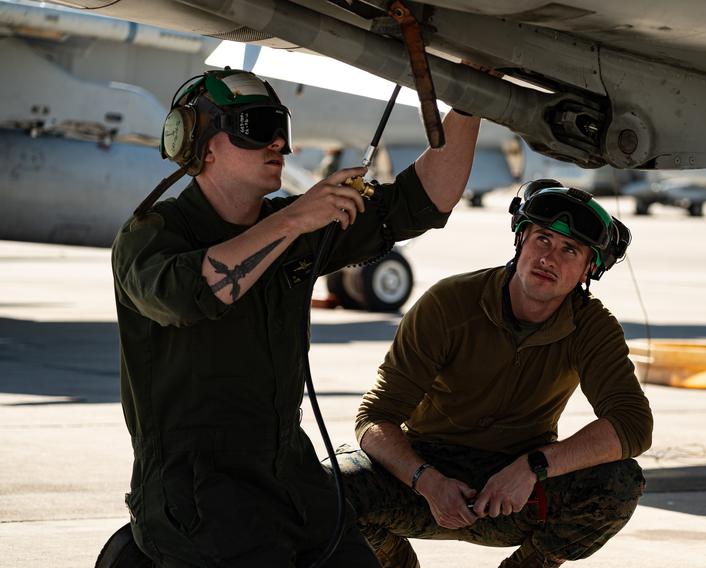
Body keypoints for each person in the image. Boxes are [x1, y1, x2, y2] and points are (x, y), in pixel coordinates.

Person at [109, 68, 479, 566]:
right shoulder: (151, 236)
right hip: (197, 491)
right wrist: (295, 219)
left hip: (291, 474)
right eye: (256, 127)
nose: (280, 144)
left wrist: (473, 97)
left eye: (280, 126)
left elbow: (421, 202)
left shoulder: (293, 228)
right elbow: (188, 294)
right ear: (202, 145)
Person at [336, 180, 653, 567]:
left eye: (569, 250)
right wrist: (428, 481)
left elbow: (633, 424)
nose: (548, 259)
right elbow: (374, 419)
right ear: (520, 241)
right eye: (542, 239)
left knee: (618, 483)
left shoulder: (591, 326)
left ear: (590, 268)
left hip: (516, 490)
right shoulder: (449, 303)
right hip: (427, 477)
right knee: (327, 488)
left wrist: (533, 467)